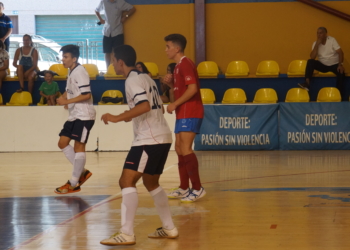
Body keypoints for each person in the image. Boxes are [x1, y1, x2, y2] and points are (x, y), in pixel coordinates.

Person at [100, 45, 178, 246]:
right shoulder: (146, 78)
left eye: (113, 59)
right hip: (162, 136)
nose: (112, 64)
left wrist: (117, 117)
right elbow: (155, 105)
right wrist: (129, 117)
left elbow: (143, 106)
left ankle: (126, 233)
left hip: (148, 140)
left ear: (120, 62)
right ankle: (169, 228)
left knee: (126, 181)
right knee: (151, 184)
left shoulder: (132, 80)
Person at [163, 34, 206, 203]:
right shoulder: (178, 67)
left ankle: (197, 188)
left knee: (186, 148)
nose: (165, 50)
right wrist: (171, 86)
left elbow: (193, 89)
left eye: (168, 46)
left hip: (191, 110)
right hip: (183, 112)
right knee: (180, 148)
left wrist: (174, 104)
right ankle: (183, 187)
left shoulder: (186, 63)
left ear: (177, 48)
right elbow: (179, 91)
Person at [55, 44, 96, 194]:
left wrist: (67, 102)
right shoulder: (71, 71)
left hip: (84, 115)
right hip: (74, 115)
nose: (63, 60)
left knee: (79, 147)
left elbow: (87, 94)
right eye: (63, 57)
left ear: (74, 58)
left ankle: (73, 183)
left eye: (65, 57)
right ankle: (82, 172)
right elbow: (70, 90)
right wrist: (64, 97)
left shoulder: (80, 72)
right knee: (62, 142)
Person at [298, 27, 346, 99]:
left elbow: (341, 53)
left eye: (321, 33)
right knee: (310, 62)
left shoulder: (332, 40)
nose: (319, 35)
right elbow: (312, 57)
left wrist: (340, 65)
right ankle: (307, 83)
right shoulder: (315, 43)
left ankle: (339, 94)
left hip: (334, 64)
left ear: (325, 34)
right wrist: (317, 45)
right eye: (317, 33)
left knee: (341, 72)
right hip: (323, 65)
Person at [95, 0, 136, 69]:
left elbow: (133, 9)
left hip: (118, 31)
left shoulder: (120, 2)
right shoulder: (104, 2)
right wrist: (101, 19)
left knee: (118, 52)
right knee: (107, 52)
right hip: (107, 31)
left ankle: (118, 69)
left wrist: (125, 17)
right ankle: (108, 69)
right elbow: (96, 10)